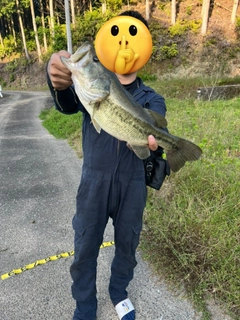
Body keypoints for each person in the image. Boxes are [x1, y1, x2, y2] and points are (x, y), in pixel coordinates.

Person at [47, 10, 167, 320]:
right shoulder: (94, 83)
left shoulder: (152, 99)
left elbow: (153, 151)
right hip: (94, 182)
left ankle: (119, 293)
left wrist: (152, 150)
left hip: (133, 184)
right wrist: (58, 81)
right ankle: (85, 305)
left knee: (127, 245)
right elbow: (66, 102)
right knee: (85, 244)